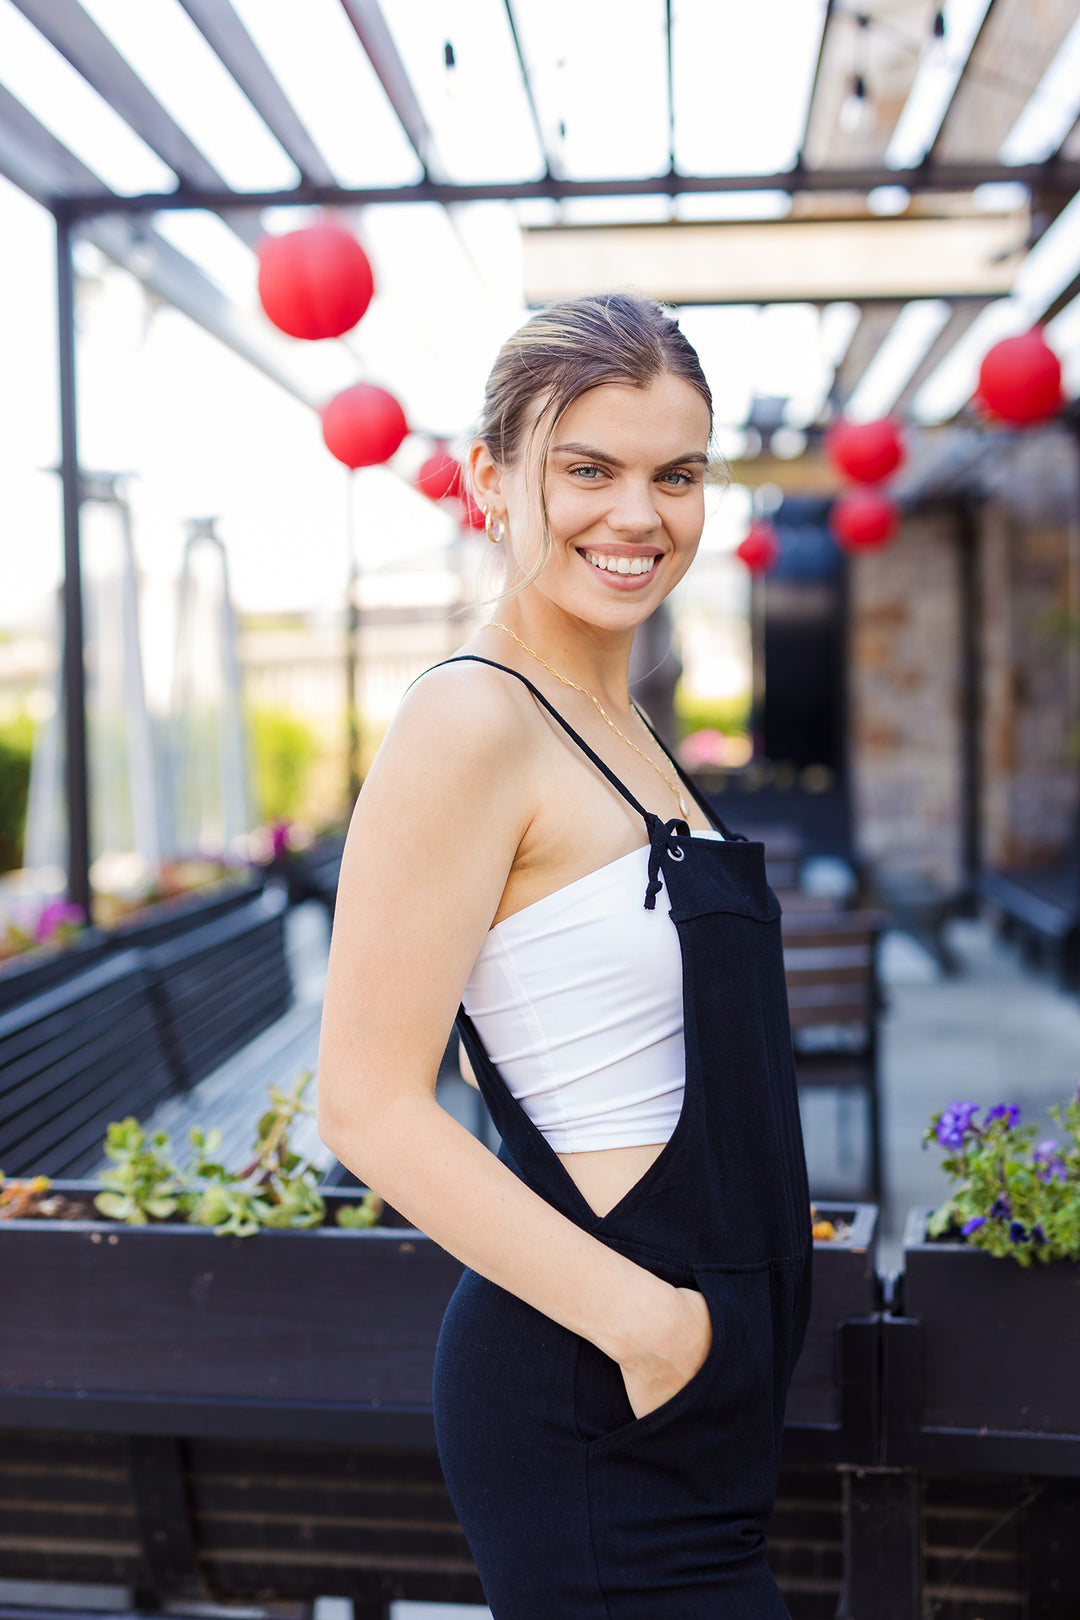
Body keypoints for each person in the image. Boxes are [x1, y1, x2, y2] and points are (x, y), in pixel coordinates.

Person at [317, 292, 813, 1618]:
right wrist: (653, 1329)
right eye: (585, 468)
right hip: (598, 1393)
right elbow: (365, 1105)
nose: (637, 516)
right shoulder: (471, 718)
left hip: (702, 1400)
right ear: (490, 479)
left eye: (678, 474)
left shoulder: (623, 719)